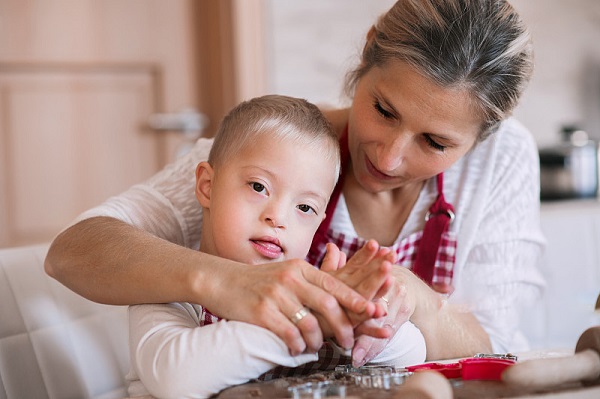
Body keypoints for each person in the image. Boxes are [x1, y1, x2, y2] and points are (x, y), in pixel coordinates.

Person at [45, 0, 545, 369]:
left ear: (482, 139)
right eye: (383, 110)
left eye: (434, 143)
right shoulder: (279, 146)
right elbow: (73, 250)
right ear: (369, 51)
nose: (389, 157)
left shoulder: (503, 159)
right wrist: (226, 282)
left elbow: (496, 351)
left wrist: (414, 301)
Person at [126, 95, 426, 398]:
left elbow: (412, 353)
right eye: (259, 187)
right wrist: (308, 324)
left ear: (320, 222)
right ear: (207, 186)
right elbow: (176, 378)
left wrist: (354, 318)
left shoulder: (314, 296)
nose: (278, 218)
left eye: (305, 208)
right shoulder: (171, 289)